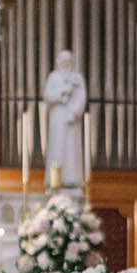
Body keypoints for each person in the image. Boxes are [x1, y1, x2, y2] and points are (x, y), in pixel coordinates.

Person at [42, 51, 89, 189]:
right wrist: (62, 92)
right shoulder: (53, 77)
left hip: (71, 120)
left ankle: (72, 179)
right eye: (63, 61)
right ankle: (55, 180)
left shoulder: (77, 78)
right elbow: (48, 96)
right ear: (58, 62)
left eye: (68, 61)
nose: (66, 64)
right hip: (57, 119)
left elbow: (81, 96)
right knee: (57, 149)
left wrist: (74, 113)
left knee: (71, 150)